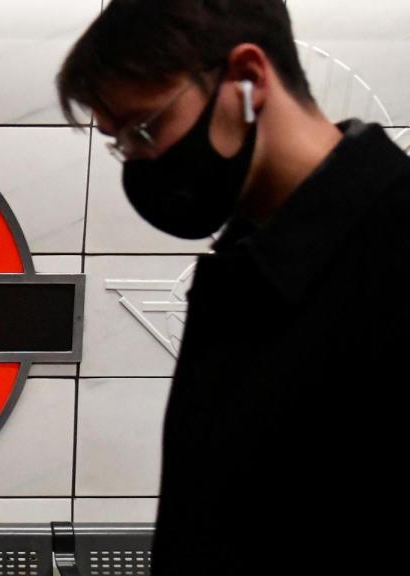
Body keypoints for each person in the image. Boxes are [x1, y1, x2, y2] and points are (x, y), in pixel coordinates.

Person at [56, 1, 408, 574]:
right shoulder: (243, 269)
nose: (139, 163)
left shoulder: (391, 255)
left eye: (145, 128)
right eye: (121, 143)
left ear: (247, 78)